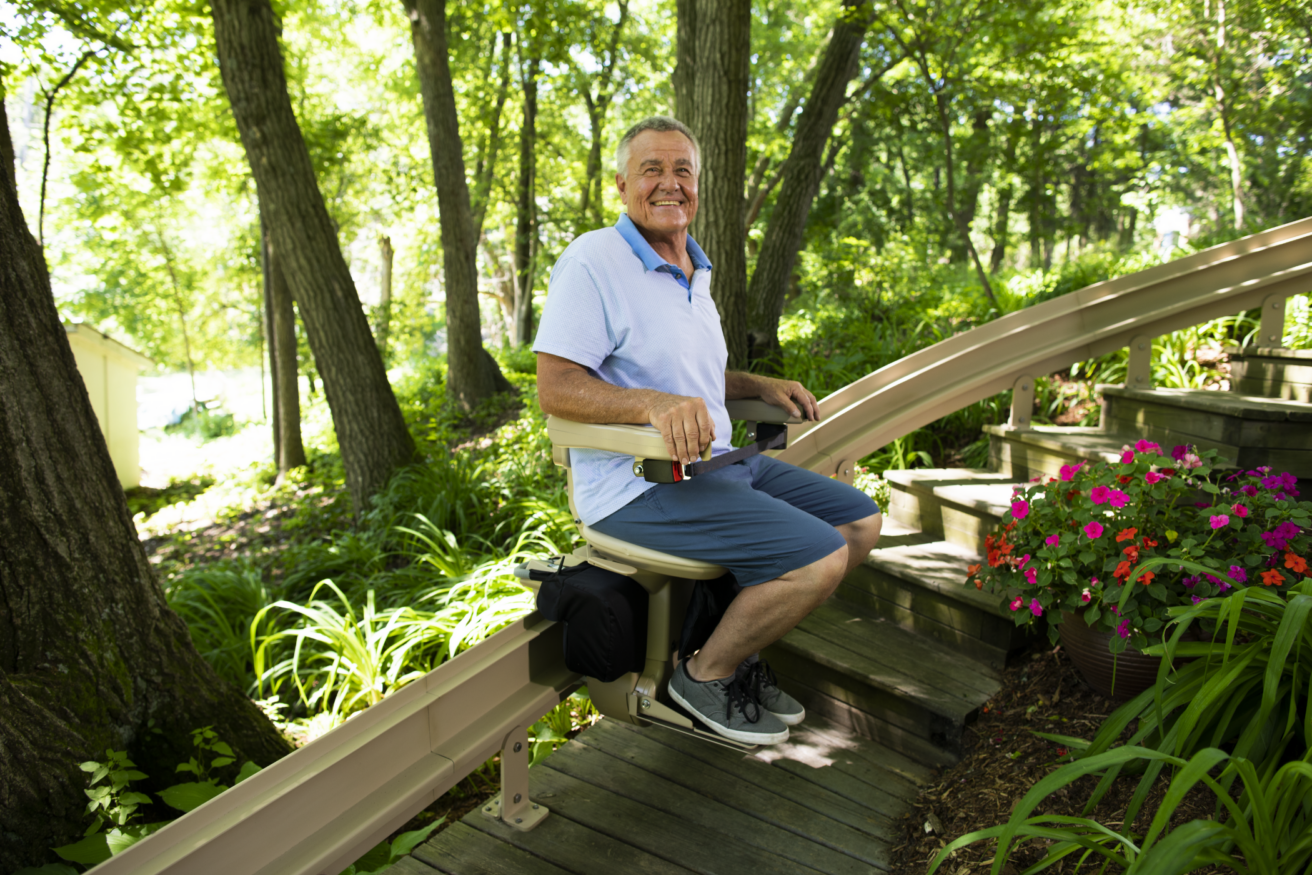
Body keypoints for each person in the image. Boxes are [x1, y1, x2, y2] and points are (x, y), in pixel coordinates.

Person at [533, 116, 882, 745]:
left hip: (718, 465)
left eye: (682, 171)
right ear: (621, 185)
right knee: (818, 558)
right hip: (639, 485)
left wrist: (754, 387)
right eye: (652, 170)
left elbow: (692, 376)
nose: (670, 183)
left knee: (857, 523)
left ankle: (735, 649)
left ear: (699, 185)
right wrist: (652, 406)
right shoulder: (593, 261)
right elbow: (556, 387)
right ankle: (703, 675)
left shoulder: (696, 269)